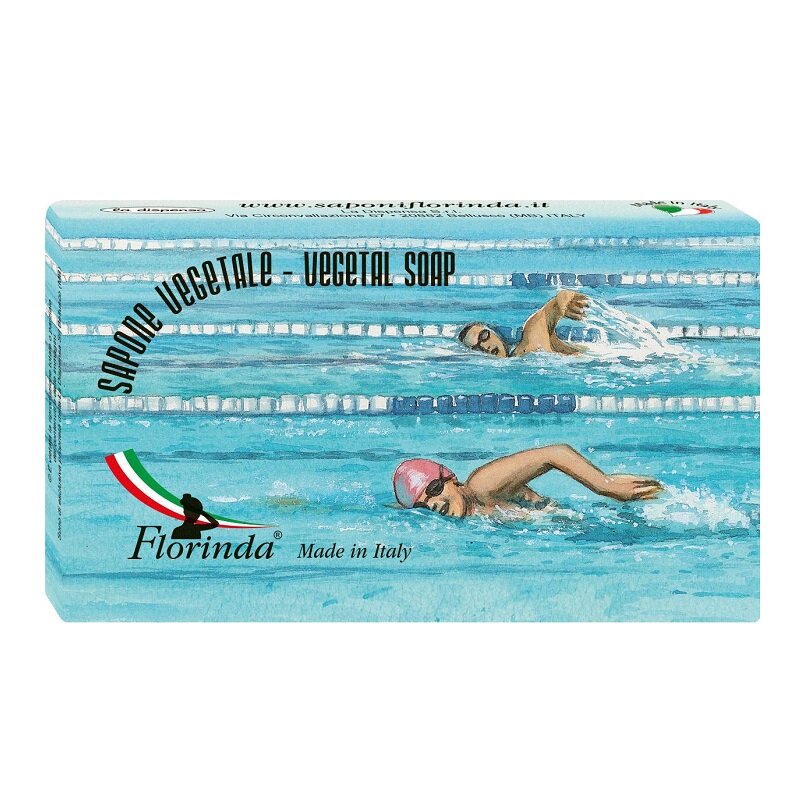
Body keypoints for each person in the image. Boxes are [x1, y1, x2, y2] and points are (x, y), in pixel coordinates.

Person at [393, 447, 662, 518]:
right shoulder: (473, 514)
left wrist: (606, 485)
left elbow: (555, 453)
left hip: (595, 522)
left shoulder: (482, 485)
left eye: (434, 490)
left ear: (450, 478)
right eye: (423, 506)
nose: (433, 504)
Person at [458, 289, 589, 357]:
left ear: (493, 332)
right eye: (476, 347)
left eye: (483, 336)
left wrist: (563, 300)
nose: (484, 347)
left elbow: (548, 310)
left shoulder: (528, 346)